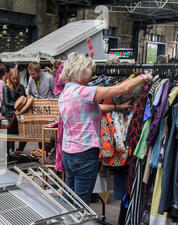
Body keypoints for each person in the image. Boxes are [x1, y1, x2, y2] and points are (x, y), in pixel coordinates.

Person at [58, 52, 153, 205]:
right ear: (81, 70)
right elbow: (122, 88)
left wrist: (116, 107)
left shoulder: (66, 92)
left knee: (70, 199)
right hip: (85, 153)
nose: (92, 74)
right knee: (81, 203)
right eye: (90, 70)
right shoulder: (84, 92)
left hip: (69, 153)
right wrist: (144, 78)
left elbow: (91, 108)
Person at [1, 68, 27, 153]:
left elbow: (24, 98)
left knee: (23, 132)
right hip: (10, 113)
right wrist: (18, 105)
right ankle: (10, 151)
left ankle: (20, 149)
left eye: (16, 78)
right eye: (13, 78)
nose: (15, 80)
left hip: (20, 113)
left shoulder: (21, 87)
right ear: (10, 78)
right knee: (10, 133)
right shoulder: (6, 88)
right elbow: (6, 102)